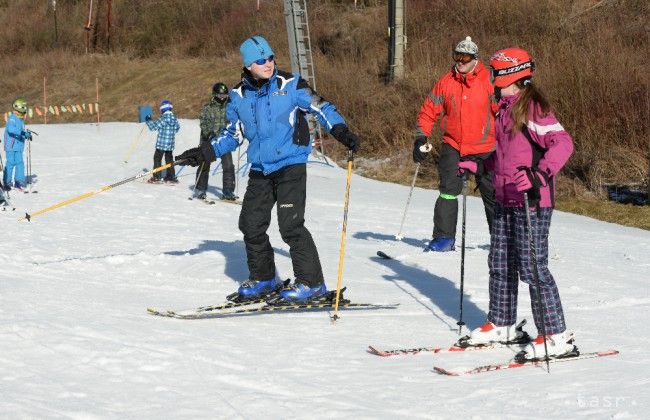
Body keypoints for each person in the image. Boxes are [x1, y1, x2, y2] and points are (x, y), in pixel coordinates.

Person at [177, 35, 360, 302]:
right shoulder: (238, 96)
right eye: (261, 60)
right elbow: (233, 135)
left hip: (290, 165)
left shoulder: (290, 84)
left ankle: (311, 283)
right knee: (250, 224)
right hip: (261, 169)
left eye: (271, 57)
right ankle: (264, 278)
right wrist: (204, 152)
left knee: (291, 226)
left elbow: (322, 107)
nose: (268, 63)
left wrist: (340, 130)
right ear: (249, 64)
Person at [463, 47, 575, 358]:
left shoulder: (533, 107)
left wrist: (540, 175)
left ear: (508, 75)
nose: (491, 78)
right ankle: (502, 324)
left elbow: (563, 144)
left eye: (494, 73)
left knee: (532, 267)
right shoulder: (502, 108)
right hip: (505, 197)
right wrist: (481, 165)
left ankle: (555, 335)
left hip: (532, 201)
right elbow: (506, 154)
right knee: (500, 263)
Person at [413, 36, 497, 252]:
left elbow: (505, 112)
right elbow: (429, 111)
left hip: (486, 148)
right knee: (448, 190)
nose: (460, 61)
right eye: (457, 56)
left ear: (475, 59)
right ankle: (443, 238)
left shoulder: (490, 80)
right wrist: (421, 137)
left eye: (465, 57)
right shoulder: (446, 82)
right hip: (454, 145)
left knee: (493, 194)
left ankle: (501, 239)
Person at [194, 82, 237, 201]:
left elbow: (233, 121)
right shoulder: (208, 108)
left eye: (224, 95)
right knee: (205, 165)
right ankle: (200, 189)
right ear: (214, 94)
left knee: (228, 165)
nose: (222, 97)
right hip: (209, 140)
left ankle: (228, 191)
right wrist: (208, 132)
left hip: (224, 141)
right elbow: (203, 122)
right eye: (220, 95)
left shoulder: (230, 107)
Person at [146, 100, 181, 184]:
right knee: (169, 160)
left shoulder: (164, 118)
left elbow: (153, 127)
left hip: (161, 144)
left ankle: (157, 177)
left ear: (163, 109)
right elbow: (177, 128)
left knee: (157, 159)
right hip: (170, 145)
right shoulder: (174, 118)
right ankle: (171, 177)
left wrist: (148, 120)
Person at [3, 99, 32, 192]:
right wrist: (22, 133)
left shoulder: (20, 119)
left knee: (20, 163)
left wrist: (26, 134)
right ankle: (7, 182)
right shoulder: (12, 118)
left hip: (19, 146)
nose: (25, 109)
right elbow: (11, 130)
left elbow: (20, 131)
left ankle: (18, 182)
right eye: (24, 107)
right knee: (10, 163)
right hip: (11, 146)